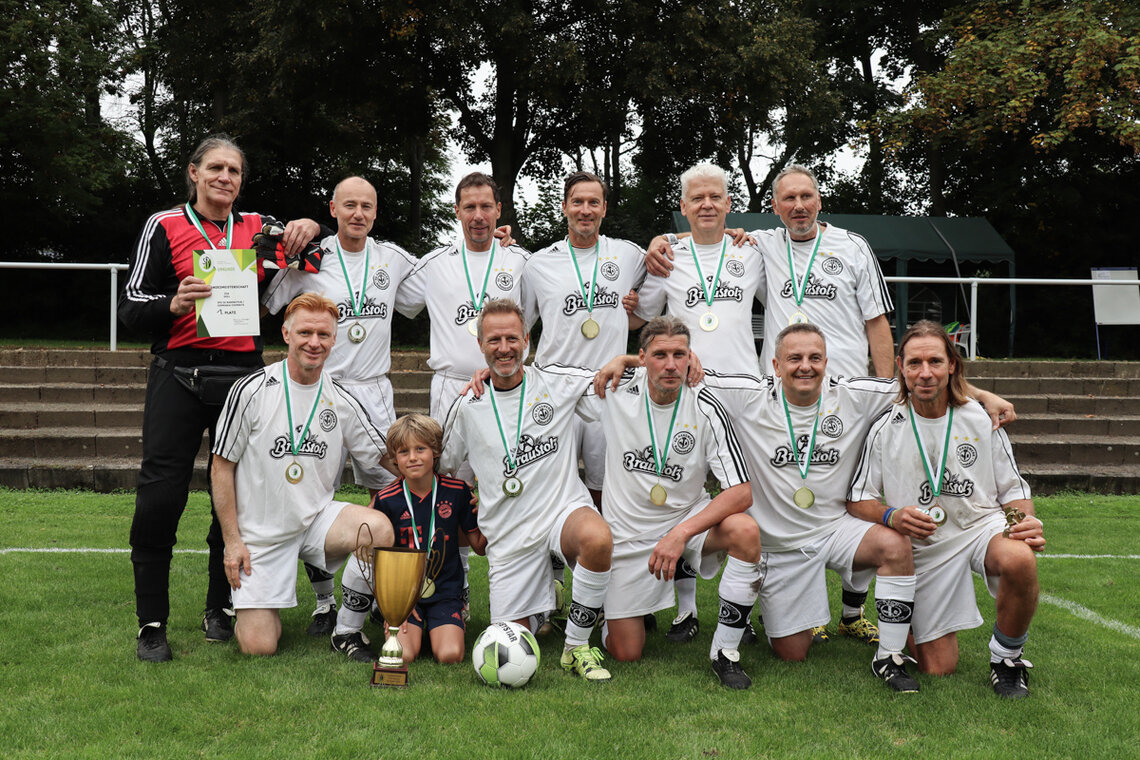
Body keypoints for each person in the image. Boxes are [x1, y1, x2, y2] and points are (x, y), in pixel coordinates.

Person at [605, 322, 1015, 691]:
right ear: (776, 365)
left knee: (894, 544)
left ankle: (889, 656)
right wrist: (629, 359)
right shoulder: (745, 394)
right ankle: (771, 613)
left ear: (827, 362)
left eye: (815, 358)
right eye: (795, 358)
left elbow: (923, 378)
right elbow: (670, 371)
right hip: (779, 546)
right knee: (792, 652)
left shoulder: (853, 394)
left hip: (836, 528)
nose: (806, 366)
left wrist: (979, 395)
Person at [646, 163, 893, 644]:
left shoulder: (852, 246)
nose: (798, 206)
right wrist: (662, 238)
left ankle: (849, 611)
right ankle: (739, 604)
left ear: (819, 199)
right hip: (768, 392)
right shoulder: (761, 245)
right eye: (788, 199)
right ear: (775, 208)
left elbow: (877, 321)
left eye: (807, 196)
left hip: (846, 394)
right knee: (759, 500)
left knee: (844, 496)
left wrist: (885, 390)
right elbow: (706, 235)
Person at [120, 135, 324, 662]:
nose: (225, 177)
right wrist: (173, 301)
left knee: (233, 498)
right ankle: (152, 621)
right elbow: (131, 307)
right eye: (215, 167)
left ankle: (220, 605)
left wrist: (310, 228)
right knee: (161, 495)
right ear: (194, 172)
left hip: (241, 378)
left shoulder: (257, 226)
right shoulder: (164, 225)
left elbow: (316, 259)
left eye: (234, 170)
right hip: (179, 373)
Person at [847, 320, 1044, 698]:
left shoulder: (981, 418)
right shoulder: (885, 425)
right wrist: (892, 516)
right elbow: (857, 500)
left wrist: (1023, 522)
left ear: (952, 365)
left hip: (978, 528)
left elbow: (1013, 489)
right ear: (900, 367)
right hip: (924, 547)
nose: (925, 373)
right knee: (938, 668)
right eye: (915, 363)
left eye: (935, 362)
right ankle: (903, 618)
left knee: (1019, 559)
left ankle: (1006, 660)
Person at [262, 176, 418, 635]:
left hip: (372, 392)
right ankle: (324, 603)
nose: (358, 214)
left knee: (389, 491)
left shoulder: (392, 258)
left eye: (366, 206)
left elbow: (451, 270)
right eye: (349, 205)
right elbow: (271, 303)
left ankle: (373, 593)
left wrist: (502, 245)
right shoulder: (313, 256)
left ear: (375, 212)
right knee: (311, 494)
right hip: (319, 391)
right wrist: (292, 240)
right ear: (333, 209)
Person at [211, 293, 397, 656]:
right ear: (286, 334)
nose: (315, 342)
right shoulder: (251, 390)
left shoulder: (340, 398)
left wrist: (438, 483)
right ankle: (261, 608)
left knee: (379, 529)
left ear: (334, 339)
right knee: (258, 646)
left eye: (324, 335)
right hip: (261, 535)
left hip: (315, 522)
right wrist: (232, 541)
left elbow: (383, 456)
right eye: (306, 332)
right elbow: (221, 466)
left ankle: (348, 627)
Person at [440, 299, 615, 682]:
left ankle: (577, 647)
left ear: (526, 340)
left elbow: (614, 382)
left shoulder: (555, 382)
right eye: (494, 340)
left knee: (597, 537)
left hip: (560, 513)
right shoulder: (468, 404)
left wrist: (625, 360)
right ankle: (545, 603)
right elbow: (443, 467)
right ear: (481, 346)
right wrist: (470, 513)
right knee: (512, 636)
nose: (504, 348)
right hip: (509, 535)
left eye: (511, 338)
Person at [583, 316, 762, 689]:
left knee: (745, 530)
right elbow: (542, 384)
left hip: (687, 518)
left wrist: (681, 533)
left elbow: (741, 491)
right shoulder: (614, 389)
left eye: (679, 354)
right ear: (643, 357)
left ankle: (725, 653)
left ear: (690, 357)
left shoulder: (706, 404)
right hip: (629, 535)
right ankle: (613, 609)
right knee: (626, 652)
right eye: (659, 355)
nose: (670, 364)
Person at [631, 162, 767, 644]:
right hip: (688, 387)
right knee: (683, 491)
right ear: (683, 206)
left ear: (728, 204)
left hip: (748, 392)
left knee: (753, 505)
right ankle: (684, 613)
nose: (707, 205)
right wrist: (652, 247)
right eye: (697, 198)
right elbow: (640, 318)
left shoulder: (753, 251)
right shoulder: (666, 256)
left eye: (715, 197)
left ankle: (747, 612)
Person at [396, 172, 531, 617]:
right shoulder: (434, 263)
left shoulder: (521, 262)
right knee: (446, 487)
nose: (478, 216)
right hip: (450, 386)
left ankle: (532, 596)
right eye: (469, 207)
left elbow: (543, 321)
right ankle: (454, 590)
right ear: (456, 211)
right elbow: (386, 294)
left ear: (499, 212)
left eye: (486, 207)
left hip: (505, 386)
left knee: (510, 481)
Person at [520, 171, 647, 507]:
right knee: (547, 482)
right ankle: (551, 557)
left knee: (603, 485)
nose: (585, 210)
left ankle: (600, 557)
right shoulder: (538, 264)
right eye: (578, 202)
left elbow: (671, 261)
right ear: (564, 207)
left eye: (593, 202)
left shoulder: (629, 256)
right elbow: (521, 328)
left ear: (604, 209)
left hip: (607, 388)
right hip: (554, 389)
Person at [330, 413, 486, 663]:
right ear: (394, 459)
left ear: (435, 451)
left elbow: (479, 546)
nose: (412, 457)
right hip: (403, 594)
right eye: (403, 452)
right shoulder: (385, 499)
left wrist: (491, 513)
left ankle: (446, 620)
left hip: (445, 591)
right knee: (405, 655)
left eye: (420, 449)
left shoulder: (457, 491)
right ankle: (391, 618)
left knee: (450, 655)